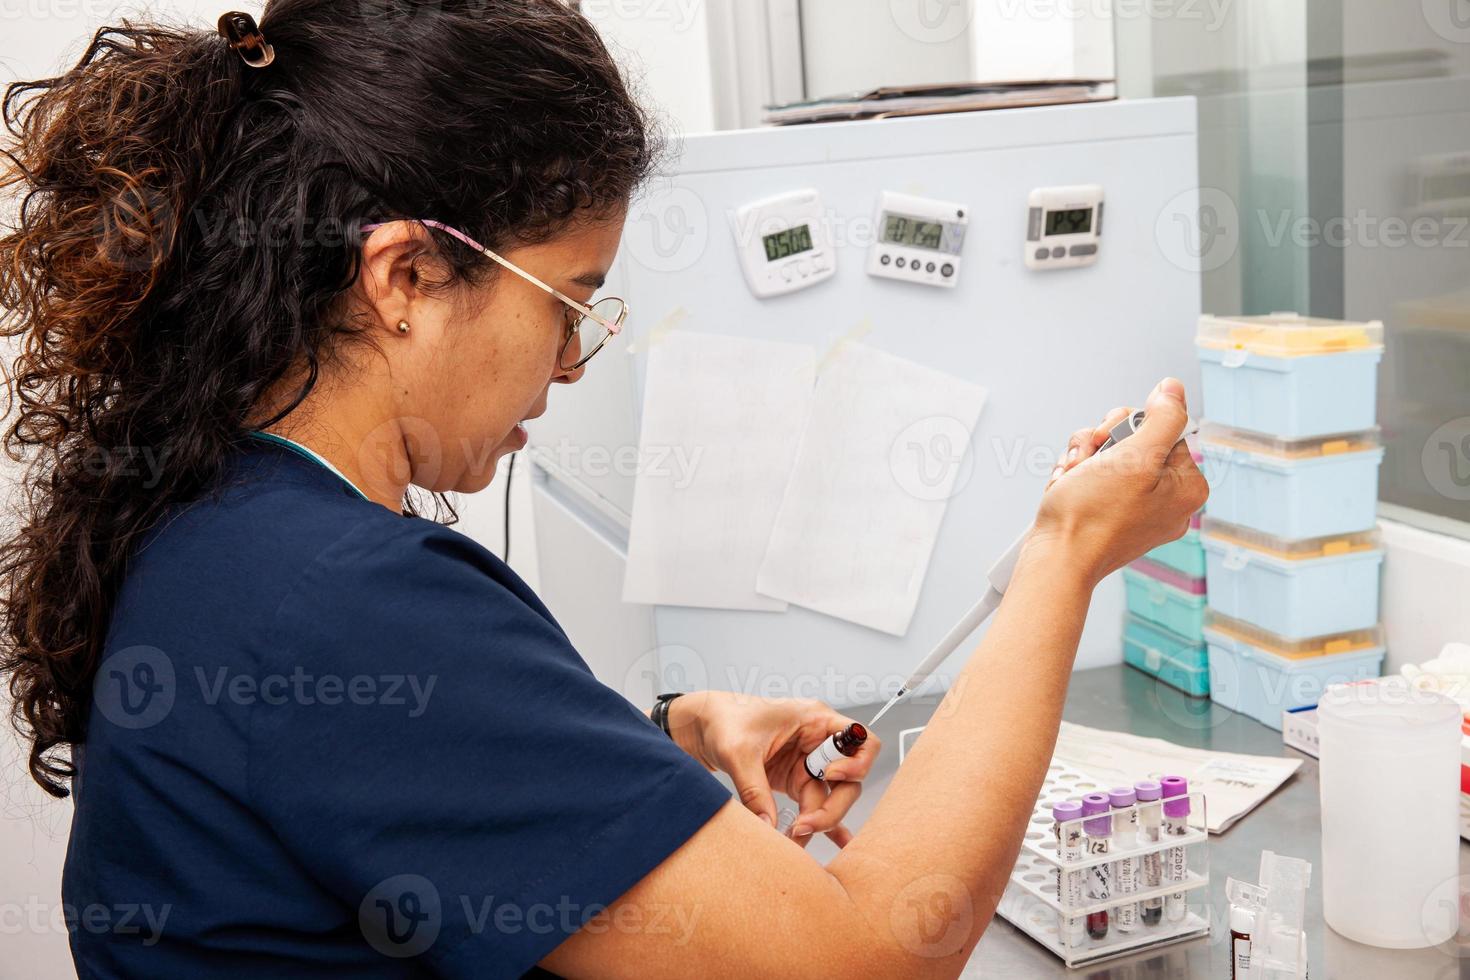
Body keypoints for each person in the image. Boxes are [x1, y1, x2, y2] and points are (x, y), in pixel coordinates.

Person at [0, 2, 1209, 976]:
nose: (573, 362)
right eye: (569, 303)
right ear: (407, 273)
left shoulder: (225, 513)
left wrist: (664, 741)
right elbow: (869, 959)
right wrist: (1064, 555)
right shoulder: (343, 600)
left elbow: (378, 788)